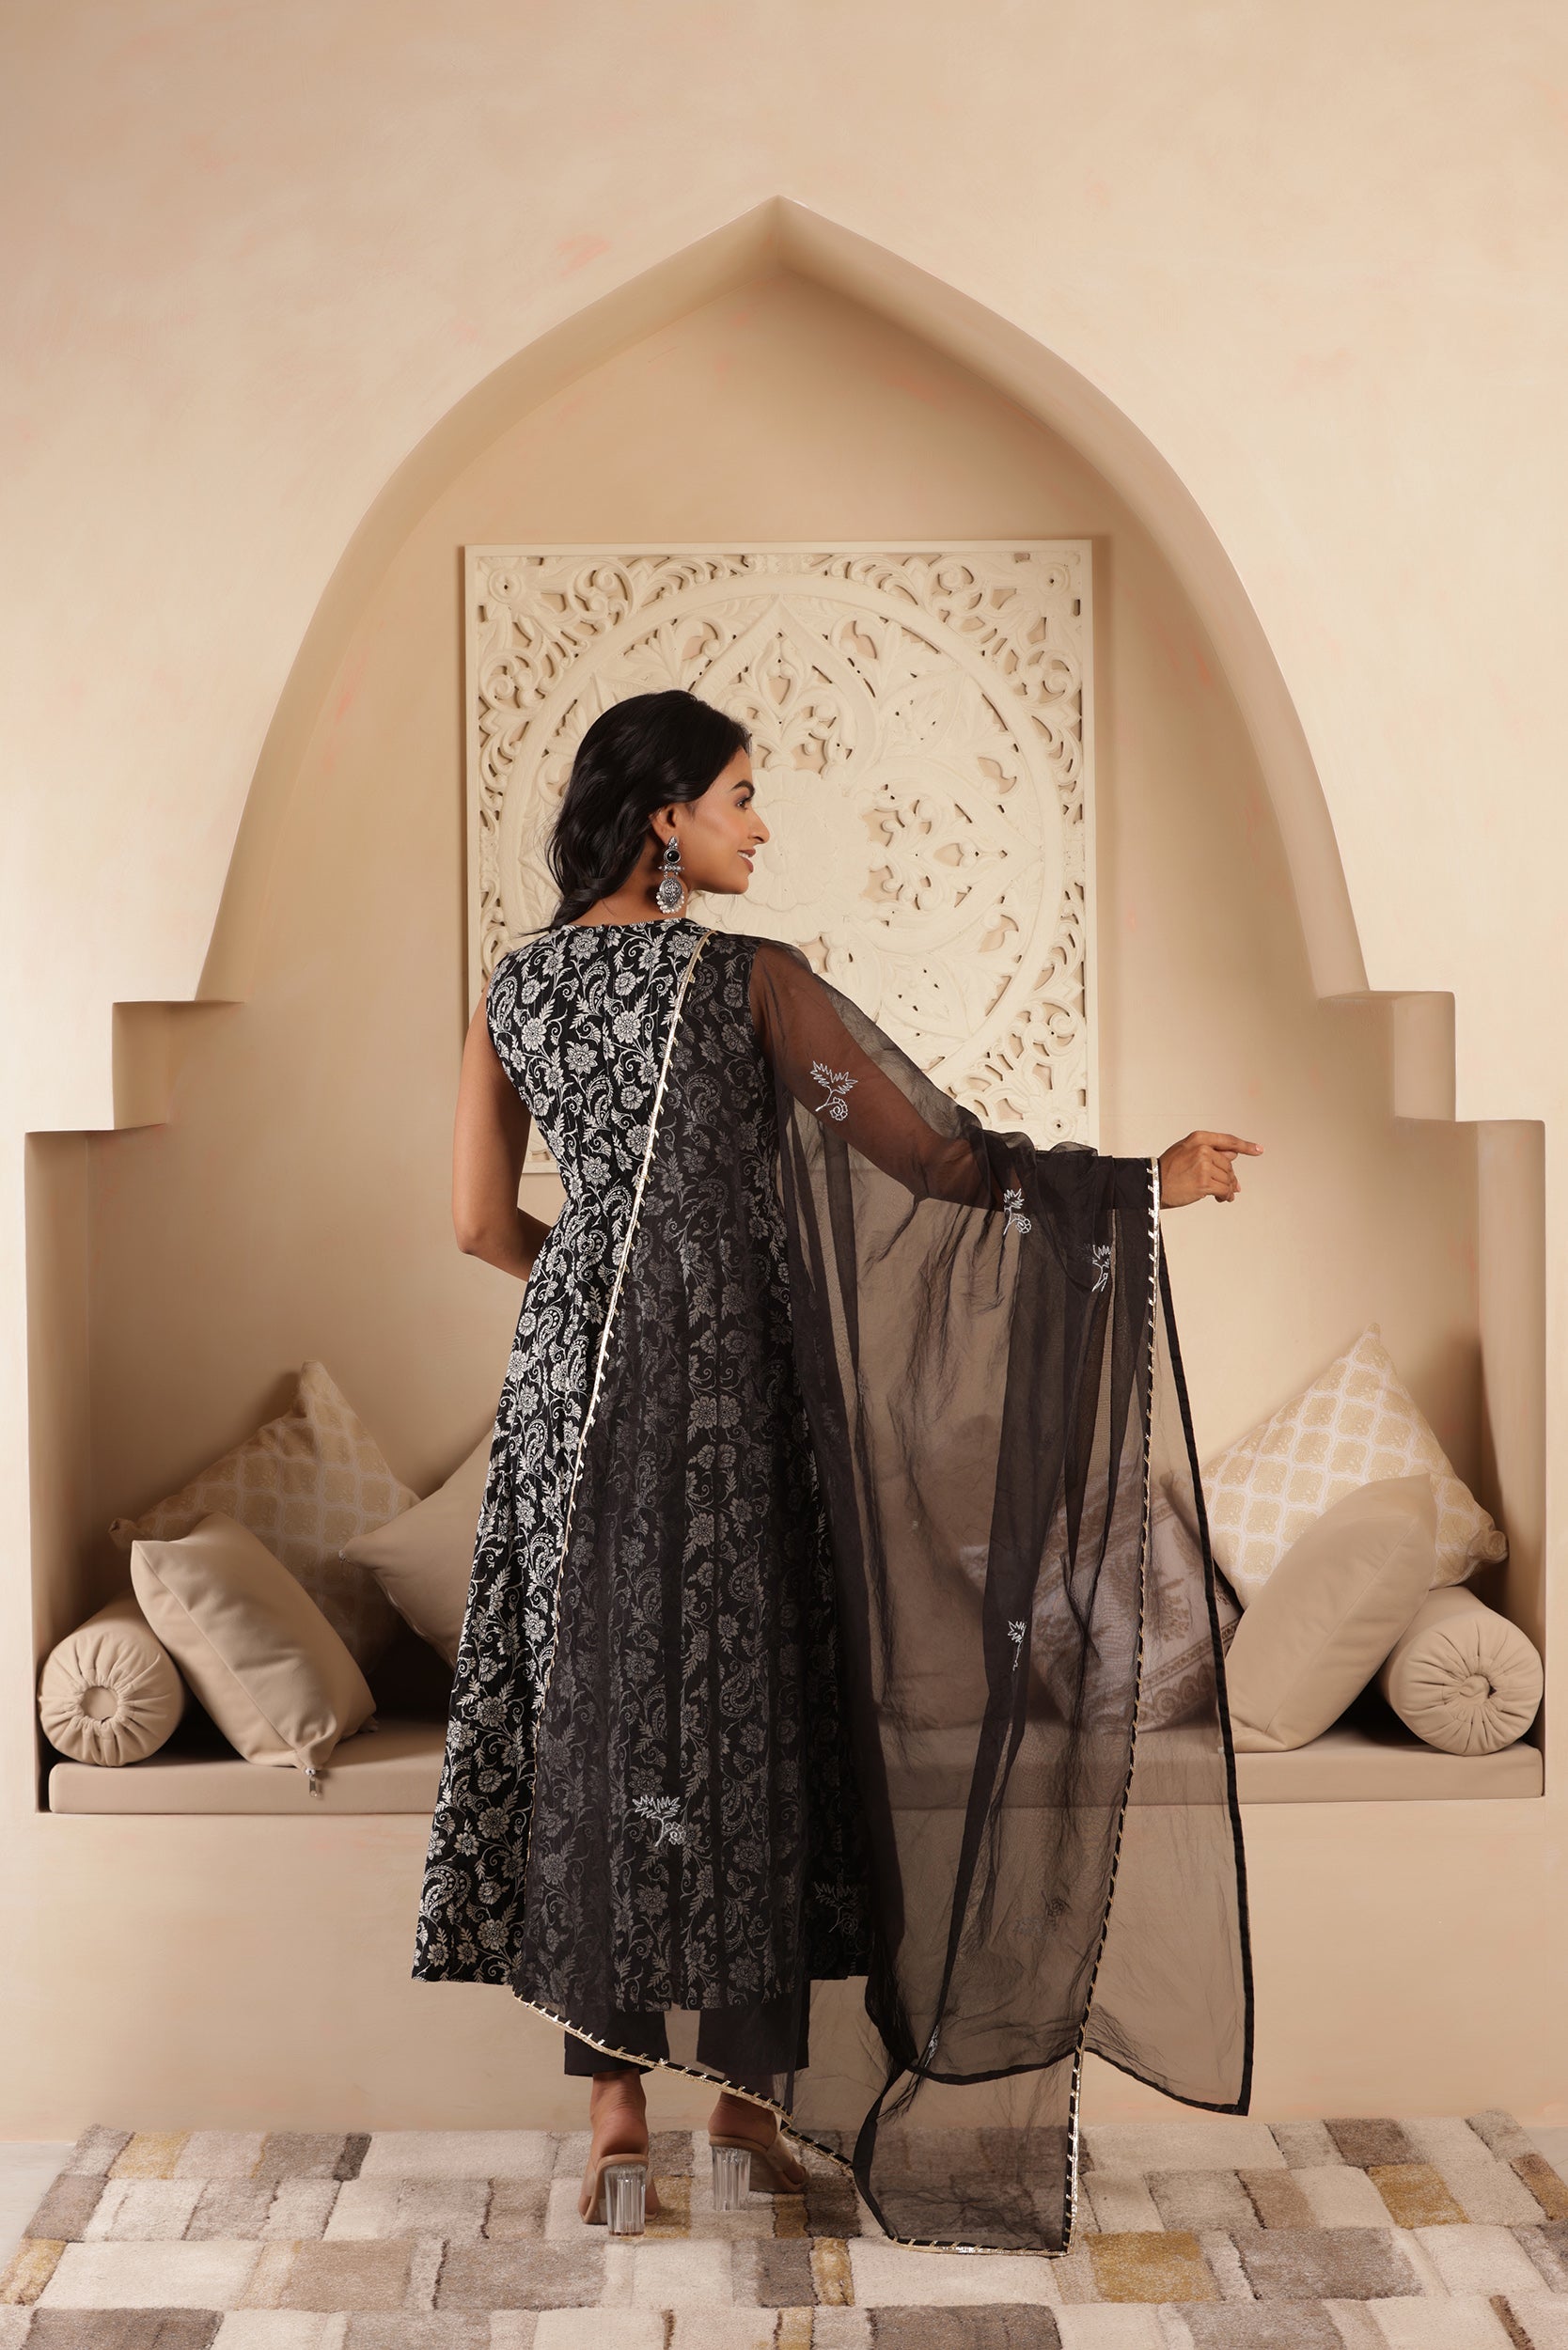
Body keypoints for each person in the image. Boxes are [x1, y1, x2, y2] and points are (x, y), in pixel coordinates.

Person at [413, 687, 1259, 2256]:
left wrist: (597, 1292)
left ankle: (613, 2123)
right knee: (752, 1718)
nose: (758, 823)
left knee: (601, 1715)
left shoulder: (513, 986)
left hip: (569, 1403)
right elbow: (935, 1159)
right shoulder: (749, 980)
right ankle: (744, 2114)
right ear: (664, 817)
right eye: (738, 795)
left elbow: (476, 1223)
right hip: (736, 1390)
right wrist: (1145, 1183)